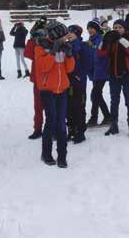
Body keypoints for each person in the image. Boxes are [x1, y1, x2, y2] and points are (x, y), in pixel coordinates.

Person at [35, 21, 75, 168]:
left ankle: (62, 156)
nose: (65, 39)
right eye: (63, 36)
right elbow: (44, 67)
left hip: (62, 89)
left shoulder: (63, 47)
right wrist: (53, 52)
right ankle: (46, 153)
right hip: (48, 90)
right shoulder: (40, 47)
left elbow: (69, 69)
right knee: (51, 121)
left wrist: (69, 55)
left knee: (61, 123)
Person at [98, 20, 129, 138]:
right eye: (115, 27)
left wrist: (119, 39)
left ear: (124, 29)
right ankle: (113, 124)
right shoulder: (110, 41)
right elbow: (100, 53)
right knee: (114, 100)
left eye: (120, 27)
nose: (117, 29)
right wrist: (104, 39)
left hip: (127, 75)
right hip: (113, 75)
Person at [24, 17, 48, 140]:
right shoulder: (35, 43)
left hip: (49, 81)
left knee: (50, 107)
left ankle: (51, 129)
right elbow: (27, 54)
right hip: (38, 81)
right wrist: (32, 37)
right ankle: (38, 129)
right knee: (38, 107)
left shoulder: (50, 42)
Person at [66, 25, 90, 144]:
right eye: (68, 32)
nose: (69, 34)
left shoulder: (83, 46)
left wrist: (79, 75)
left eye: (72, 32)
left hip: (79, 82)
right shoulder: (66, 45)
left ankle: (80, 131)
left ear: (77, 34)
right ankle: (70, 129)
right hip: (67, 82)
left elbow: (87, 64)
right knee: (68, 107)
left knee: (79, 106)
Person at [86, 20, 111, 127]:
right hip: (95, 71)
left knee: (95, 94)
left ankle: (94, 118)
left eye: (92, 28)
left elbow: (99, 55)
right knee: (96, 95)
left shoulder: (101, 39)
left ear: (97, 29)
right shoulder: (91, 40)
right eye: (89, 28)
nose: (90, 30)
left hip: (102, 71)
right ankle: (107, 116)